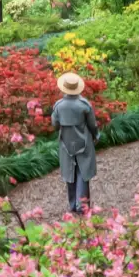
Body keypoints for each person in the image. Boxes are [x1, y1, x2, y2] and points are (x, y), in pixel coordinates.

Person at [52, 72, 99, 214]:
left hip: (66, 144)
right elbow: (92, 125)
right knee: (83, 173)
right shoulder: (84, 105)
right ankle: (82, 207)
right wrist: (96, 135)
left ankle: (72, 205)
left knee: (69, 173)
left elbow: (55, 124)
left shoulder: (58, 106)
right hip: (83, 143)